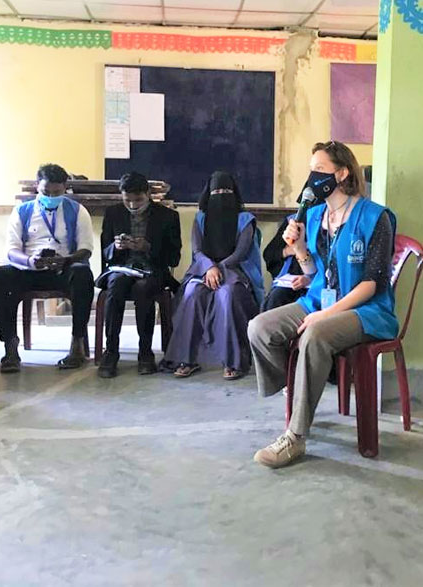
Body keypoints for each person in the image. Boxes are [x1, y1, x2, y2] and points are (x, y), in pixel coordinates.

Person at [248, 142, 397, 468]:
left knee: (314, 335)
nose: (312, 177)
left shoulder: (376, 218)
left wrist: (324, 315)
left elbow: (371, 284)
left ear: (341, 173)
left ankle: (296, 436)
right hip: (318, 299)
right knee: (259, 328)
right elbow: (315, 273)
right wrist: (300, 248)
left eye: (320, 170)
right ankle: (297, 387)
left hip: (365, 309)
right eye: (311, 169)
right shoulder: (315, 216)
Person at [0, 163, 95, 374]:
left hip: (63, 269)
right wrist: (30, 261)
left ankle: (77, 344)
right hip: (28, 269)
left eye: (57, 192)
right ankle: (10, 345)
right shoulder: (22, 211)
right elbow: (11, 250)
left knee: (83, 275)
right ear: (37, 186)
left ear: (65, 188)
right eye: (46, 192)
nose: (51, 196)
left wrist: (67, 260)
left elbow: (86, 249)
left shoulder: (78, 211)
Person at [164, 171, 263, 380]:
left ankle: (234, 361)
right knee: (192, 294)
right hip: (203, 269)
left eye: (226, 191)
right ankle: (186, 359)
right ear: (208, 194)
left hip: (235, 269)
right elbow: (197, 250)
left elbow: (241, 252)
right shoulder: (200, 218)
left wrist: (220, 267)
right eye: (216, 192)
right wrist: (209, 267)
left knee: (227, 295)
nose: (221, 195)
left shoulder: (246, 220)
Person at [96, 172, 181, 378]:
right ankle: (111, 351)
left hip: (153, 270)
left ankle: (145, 352)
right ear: (121, 196)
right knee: (116, 286)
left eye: (138, 200)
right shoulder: (113, 213)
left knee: (143, 289)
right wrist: (116, 247)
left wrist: (148, 247)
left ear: (148, 194)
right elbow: (105, 252)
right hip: (122, 268)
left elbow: (173, 258)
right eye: (128, 200)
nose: (133, 205)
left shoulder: (167, 216)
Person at [261, 201, 311, 312]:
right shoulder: (293, 222)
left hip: (318, 281)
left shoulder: (329, 222)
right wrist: (288, 251)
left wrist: (310, 278)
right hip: (290, 280)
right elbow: (269, 253)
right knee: (275, 299)